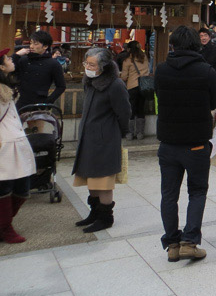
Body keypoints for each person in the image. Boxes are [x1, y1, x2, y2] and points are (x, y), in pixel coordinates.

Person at [154, 26, 216, 262]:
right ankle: (190, 241)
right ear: (196, 45)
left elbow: (160, 96)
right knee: (197, 191)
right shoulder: (207, 71)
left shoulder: (161, 70)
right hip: (196, 142)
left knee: (169, 194)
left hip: (169, 142)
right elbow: (213, 102)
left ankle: (172, 243)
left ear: (173, 45)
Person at [71, 48, 131, 233]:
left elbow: (124, 112)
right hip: (88, 137)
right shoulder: (89, 81)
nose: (87, 67)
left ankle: (106, 217)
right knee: (90, 177)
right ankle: (95, 212)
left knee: (103, 180)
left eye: (92, 64)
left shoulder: (115, 85)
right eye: (86, 63)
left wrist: (117, 132)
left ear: (103, 67)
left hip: (105, 138)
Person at [0, 48, 37, 243]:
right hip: (4, 144)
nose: (11, 59)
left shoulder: (7, 84)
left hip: (16, 141)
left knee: (22, 187)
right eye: (7, 58)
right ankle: (5, 228)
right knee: (5, 187)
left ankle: (3, 225)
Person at [12, 30, 66, 112]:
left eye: (35, 44)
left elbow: (61, 86)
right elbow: (9, 70)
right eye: (31, 43)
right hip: (20, 100)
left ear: (45, 46)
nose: (31, 46)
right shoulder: (23, 59)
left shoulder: (53, 64)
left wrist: (48, 101)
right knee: (14, 124)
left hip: (39, 102)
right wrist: (16, 56)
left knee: (36, 125)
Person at [120, 40, 150, 141]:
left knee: (131, 110)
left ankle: (130, 133)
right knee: (141, 109)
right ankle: (140, 133)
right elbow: (147, 71)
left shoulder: (128, 60)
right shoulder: (144, 57)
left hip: (132, 87)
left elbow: (124, 77)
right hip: (143, 87)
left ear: (129, 49)